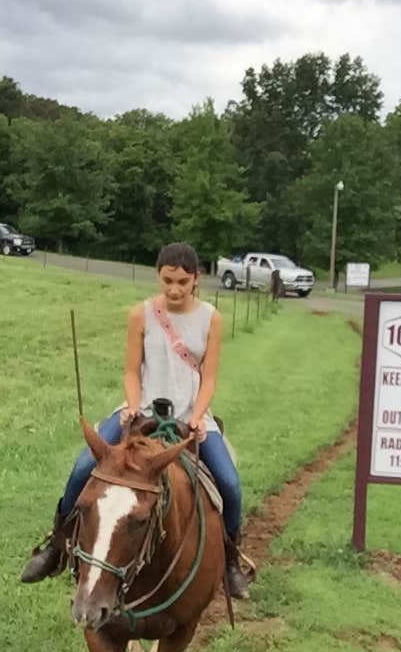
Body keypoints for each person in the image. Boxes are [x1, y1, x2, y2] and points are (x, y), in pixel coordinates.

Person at [21, 241, 251, 597]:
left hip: (190, 415)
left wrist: (200, 416)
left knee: (229, 484)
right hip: (140, 411)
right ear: (158, 276)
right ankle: (57, 545)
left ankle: (231, 560)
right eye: (167, 280)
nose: (174, 289)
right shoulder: (140, 315)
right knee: (84, 468)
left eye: (182, 282)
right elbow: (131, 370)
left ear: (196, 279)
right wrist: (131, 404)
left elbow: (210, 378)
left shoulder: (211, 319)